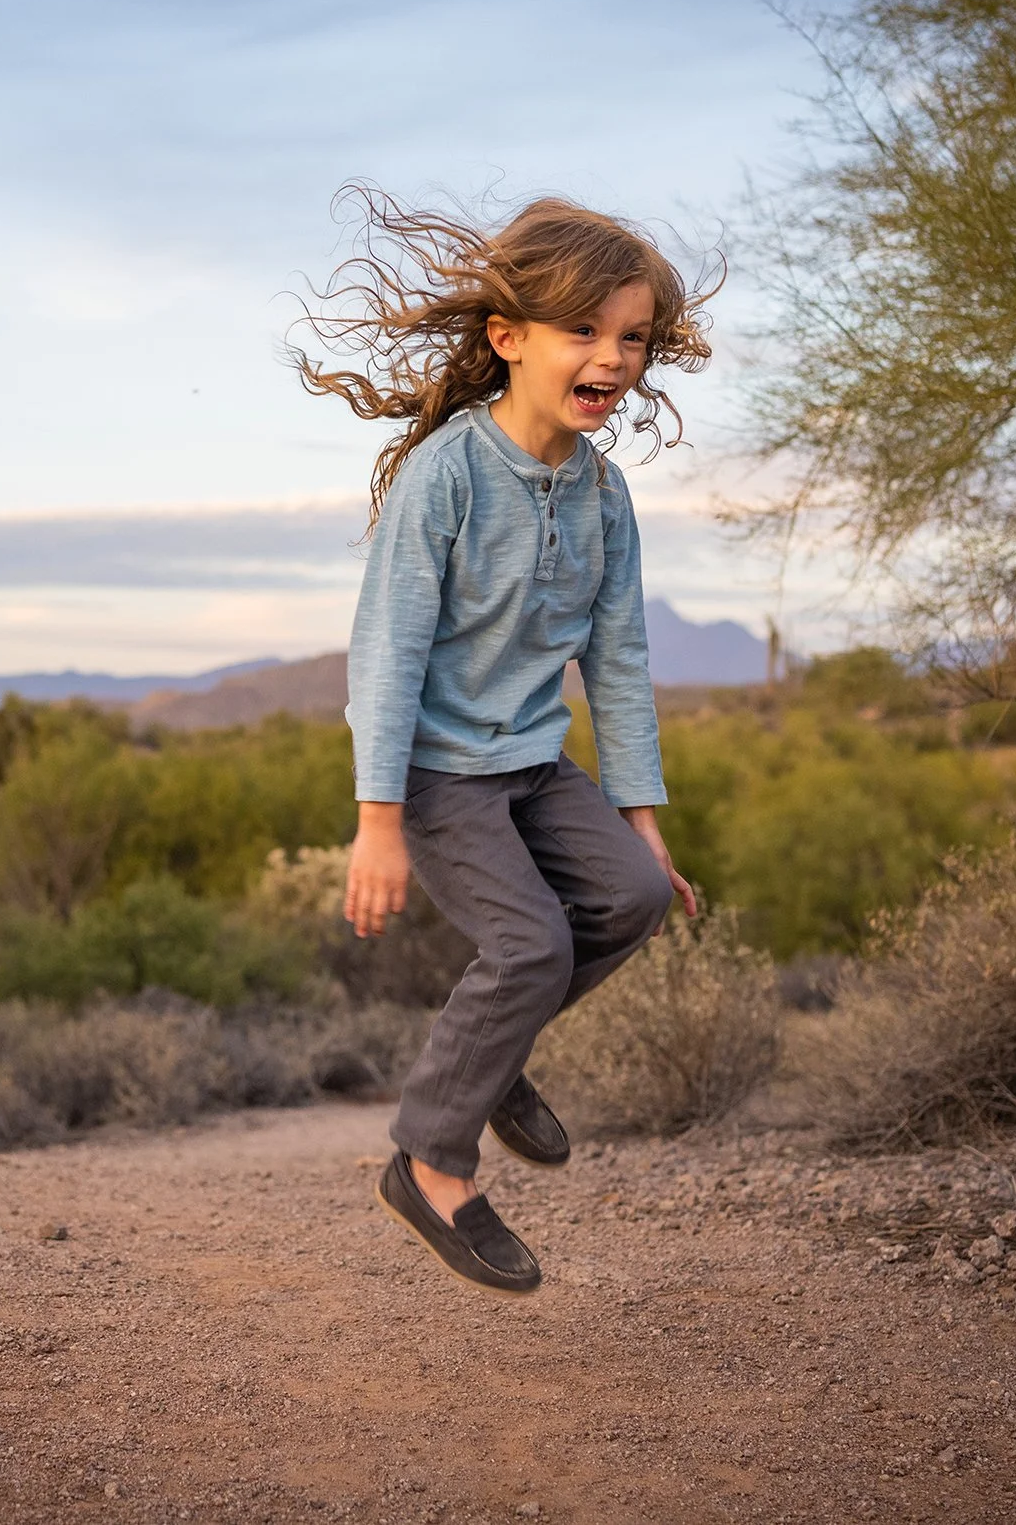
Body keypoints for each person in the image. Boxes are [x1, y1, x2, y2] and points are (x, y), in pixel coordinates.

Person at [300, 190, 710, 1294]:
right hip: (439, 777)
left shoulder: (604, 495)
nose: (613, 358)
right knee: (528, 946)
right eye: (585, 330)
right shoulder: (446, 475)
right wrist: (376, 821)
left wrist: (644, 825)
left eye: (632, 337)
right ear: (507, 338)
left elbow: (617, 660)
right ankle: (431, 1162)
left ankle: (493, 1059)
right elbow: (382, 656)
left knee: (628, 898)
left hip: (533, 761)